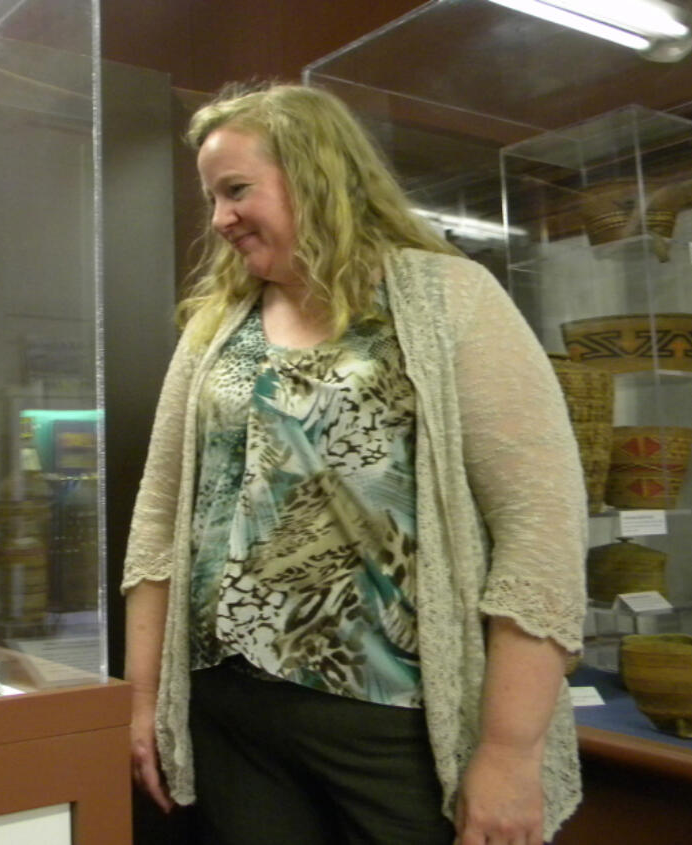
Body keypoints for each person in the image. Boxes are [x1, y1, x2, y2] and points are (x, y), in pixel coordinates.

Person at [122, 82, 586, 845]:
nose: (219, 219)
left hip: (394, 721)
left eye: (237, 190)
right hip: (230, 716)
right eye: (212, 197)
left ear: (314, 175)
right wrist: (143, 698)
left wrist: (509, 751)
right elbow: (159, 514)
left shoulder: (449, 300)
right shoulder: (216, 329)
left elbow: (541, 527)